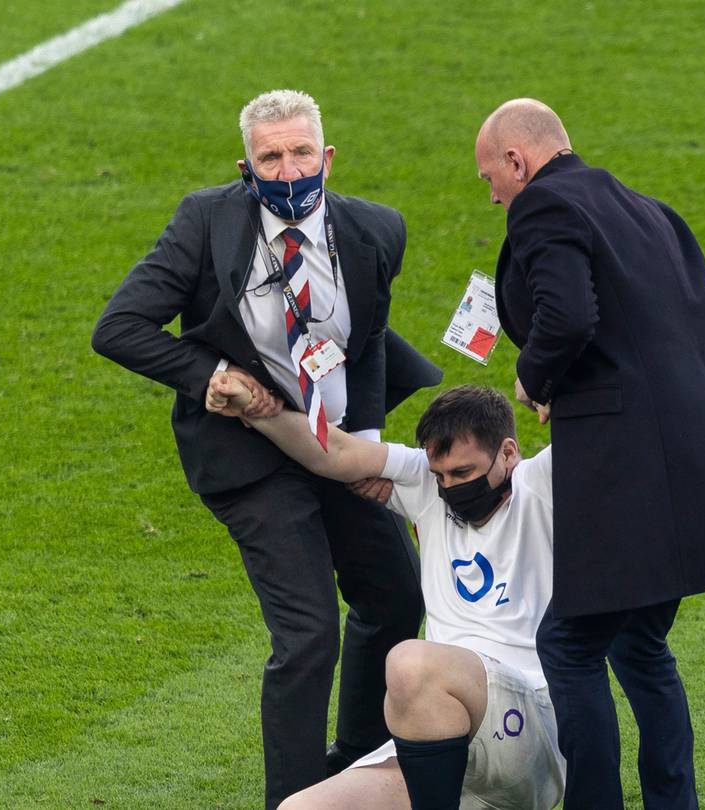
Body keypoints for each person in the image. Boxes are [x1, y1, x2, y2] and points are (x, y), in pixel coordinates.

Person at [91, 89, 439, 808]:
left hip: (337, 442)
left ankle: (353, 762)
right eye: (270, 156)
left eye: (300, 152)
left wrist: (366, 447)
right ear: (246, 166)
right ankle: (296, 800)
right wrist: (210, 374)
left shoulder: (377, 231)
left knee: (397, 596)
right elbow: (118, 327)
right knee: (310, 634)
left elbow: (368, 338)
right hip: (251, 457)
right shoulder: (206, 222)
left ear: (328, 158)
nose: (287, 170)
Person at [474, 98, 705, 808]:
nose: (492, 193)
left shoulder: (543, 208)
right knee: (640, 643)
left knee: (569, 644)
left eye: (489, 177)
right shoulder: (651, 210)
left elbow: (569, 315)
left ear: (517, 161)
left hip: (634, 470)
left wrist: (534, 378)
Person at [206, 377, 565, 810]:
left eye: (464, 473)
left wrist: (549, 380)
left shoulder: (540, 484)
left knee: (410, 663)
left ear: (508, 452)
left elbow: (611, 421)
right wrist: (253, 406)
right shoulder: (427, 487)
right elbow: (334, 452)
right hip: (436, 731)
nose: (450, 487)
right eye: (442, 475)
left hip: (528, 728)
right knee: (298, 808)